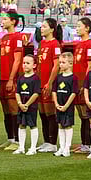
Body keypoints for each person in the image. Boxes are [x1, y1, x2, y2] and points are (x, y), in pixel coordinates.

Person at [0, 10, 25, 151]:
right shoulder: (4, 38)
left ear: (13, 21)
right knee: (6, 110)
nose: (3, 21)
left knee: (14, 109)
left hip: (11, 79)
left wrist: (11, 79)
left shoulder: (17, 37)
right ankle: (10, 138)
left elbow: (17, 60)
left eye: (5, 19)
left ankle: (19, 141)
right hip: (2, 78)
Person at [37, 18, 63, 153]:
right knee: (42, 113)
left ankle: (53, 143)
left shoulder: (55, 44)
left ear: (52, 29)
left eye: (44, 26)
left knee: (50, 113)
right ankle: (46, 141)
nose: (42, 29)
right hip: (40, 82)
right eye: (41, 26)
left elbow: (56, 65)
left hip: (48, 82)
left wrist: (50, 82)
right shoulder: (42, 43)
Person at [72, 17, 91, 154]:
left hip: (83, 83)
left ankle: (88, 144)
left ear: (87, 28)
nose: (77, 28)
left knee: (86, 113)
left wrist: (85, 83)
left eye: (79, 26)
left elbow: (89, 65)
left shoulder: (90, 44)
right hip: (76, 82)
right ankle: (84, 143)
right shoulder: (78, 44)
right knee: (81, 114)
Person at [14, 55, 41, 156]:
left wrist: (27, 104)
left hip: (31, 107)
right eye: (24, 63)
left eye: (28, 63)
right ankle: (21, 147)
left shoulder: (35, 78)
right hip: (21, 106)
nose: (25, 65)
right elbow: (17, 92)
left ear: (34, 65)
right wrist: (20, 103)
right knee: (21, 125)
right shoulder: (21, 78)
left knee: (32, 125)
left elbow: (36, 93)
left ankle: (33, 148)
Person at [52, 52, 78, 157]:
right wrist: (56, 103)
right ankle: (61, 147)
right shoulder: (58, 77)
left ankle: (67, 147)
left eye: (63, 62)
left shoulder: (73, 78)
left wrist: (66, 105)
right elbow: (54, 91)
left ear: (70, 63)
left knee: (67, 125)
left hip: (68, 106)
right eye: (60, 62)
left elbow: (73, 92)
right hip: (59, 105)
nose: (61, 65)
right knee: (60, 125)